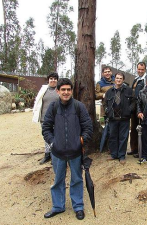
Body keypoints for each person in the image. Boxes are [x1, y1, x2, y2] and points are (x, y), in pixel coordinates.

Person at [42, 78, 93, 220]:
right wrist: (53, 142)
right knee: (58, 180)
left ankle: (78, 207)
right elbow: (46, 128)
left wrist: (81, 140)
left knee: (76, 179)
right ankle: (58, 206)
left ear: (71, 91)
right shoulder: (53, 107)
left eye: (68, 90)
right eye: (63, 89)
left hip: (75, 151)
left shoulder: (79, 107)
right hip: (57, 152)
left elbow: (88, 127)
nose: (66, 92)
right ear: (58, 91)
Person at [103, 72, 134, 165]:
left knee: (123, 137)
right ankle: (114, 154)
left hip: (124, 118)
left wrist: (129, 110)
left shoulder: (128, 90)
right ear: (114, 79)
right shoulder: (109, 92)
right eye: (117, 78)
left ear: (123, 80)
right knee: (113, 137)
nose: (119, 80)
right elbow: (105, 103)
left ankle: (121, 156)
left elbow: (134, 102)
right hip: (113, 118)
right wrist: (107, 111)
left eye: (120, 78)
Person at [32, 72, 59, 164]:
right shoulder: (44, 89)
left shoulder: (59, 90)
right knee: (46, 136)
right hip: (44, 118)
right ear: (48, 80)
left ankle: (55, 155)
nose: (53, 80)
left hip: (56, 118)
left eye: (55, 79)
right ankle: (47, 154)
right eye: (51, 78)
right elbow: (38, 101)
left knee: (55, 136)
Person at [127, 62, 147, 157]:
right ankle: (134, 149)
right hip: (133, 106)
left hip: (142, 107)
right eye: (139, 69)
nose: (140, 71)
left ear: (145, 70)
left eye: (142, 69)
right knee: (133, 128)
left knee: (141, 129)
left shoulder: (146, 80)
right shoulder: (136, 79)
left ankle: (141, 150)